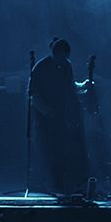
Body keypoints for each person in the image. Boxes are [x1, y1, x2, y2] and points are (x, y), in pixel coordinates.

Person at [27, 37, 93, 195]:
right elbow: (33, 94)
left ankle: (59, 184)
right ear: (55, 53)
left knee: (61, 150)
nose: (64, 60)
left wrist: (82, 86)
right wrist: (47, 111)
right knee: (47, 150)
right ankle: (47, 183)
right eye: (62, 57)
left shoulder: (67, 65)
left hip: (60, 116)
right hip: (43, 117)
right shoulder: (40, 67)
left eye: (66, 57)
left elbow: (70, 87)